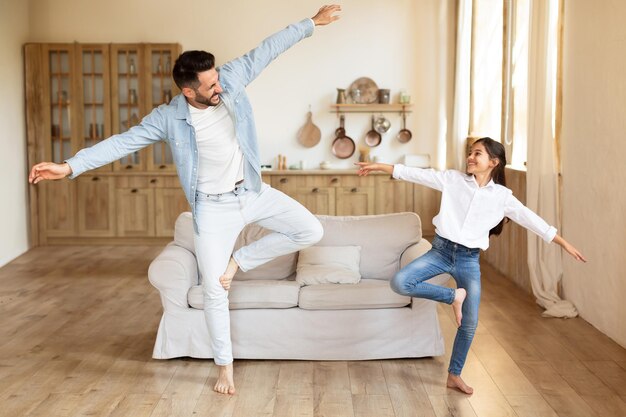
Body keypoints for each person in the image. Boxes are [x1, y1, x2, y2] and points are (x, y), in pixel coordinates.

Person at [28, 4, 342, 395]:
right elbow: (122, 143)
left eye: (218, 80)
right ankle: (225, 367)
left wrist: (311, 23)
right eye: (210, 85)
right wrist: (68, 166)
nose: (219, 87)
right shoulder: (168, 118)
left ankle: (238, 260)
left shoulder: (230, 78)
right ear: (187, 90)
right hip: (212, 208)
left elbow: (268, 48)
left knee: (309, 229)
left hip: (252, 191)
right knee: (214, 289)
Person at [355, 137, 586, 395]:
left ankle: (454, 375)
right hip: (440, 252)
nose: (471, 157)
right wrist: (381, 167)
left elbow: (532, 220)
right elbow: (416, 174)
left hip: (468, 260)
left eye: (477, 153)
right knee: (400, 282)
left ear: (493, 162)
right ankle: (454, 296)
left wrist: (563, 243)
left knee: (470, 322)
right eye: (470, 153)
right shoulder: (453, 180)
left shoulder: (503, 197)